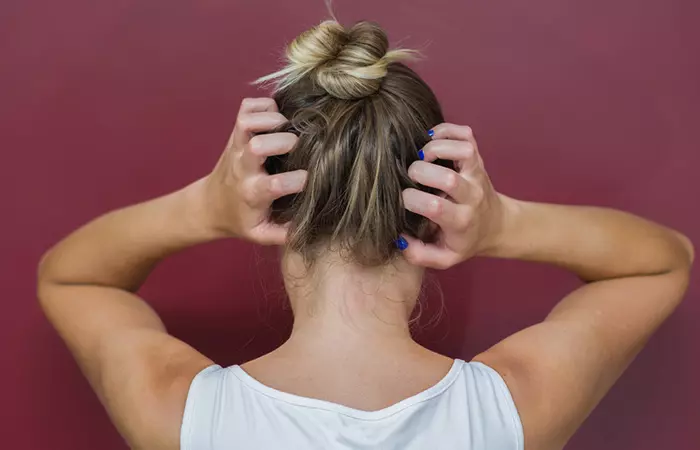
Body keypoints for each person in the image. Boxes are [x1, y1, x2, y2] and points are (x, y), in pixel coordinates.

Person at [37, 20, 693, 450]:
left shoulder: (185, 418)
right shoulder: (508, 412)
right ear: (431, 208)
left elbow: (69, 276)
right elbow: (661, 263)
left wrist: (203, 209)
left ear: (279, 209)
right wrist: (502, 224)